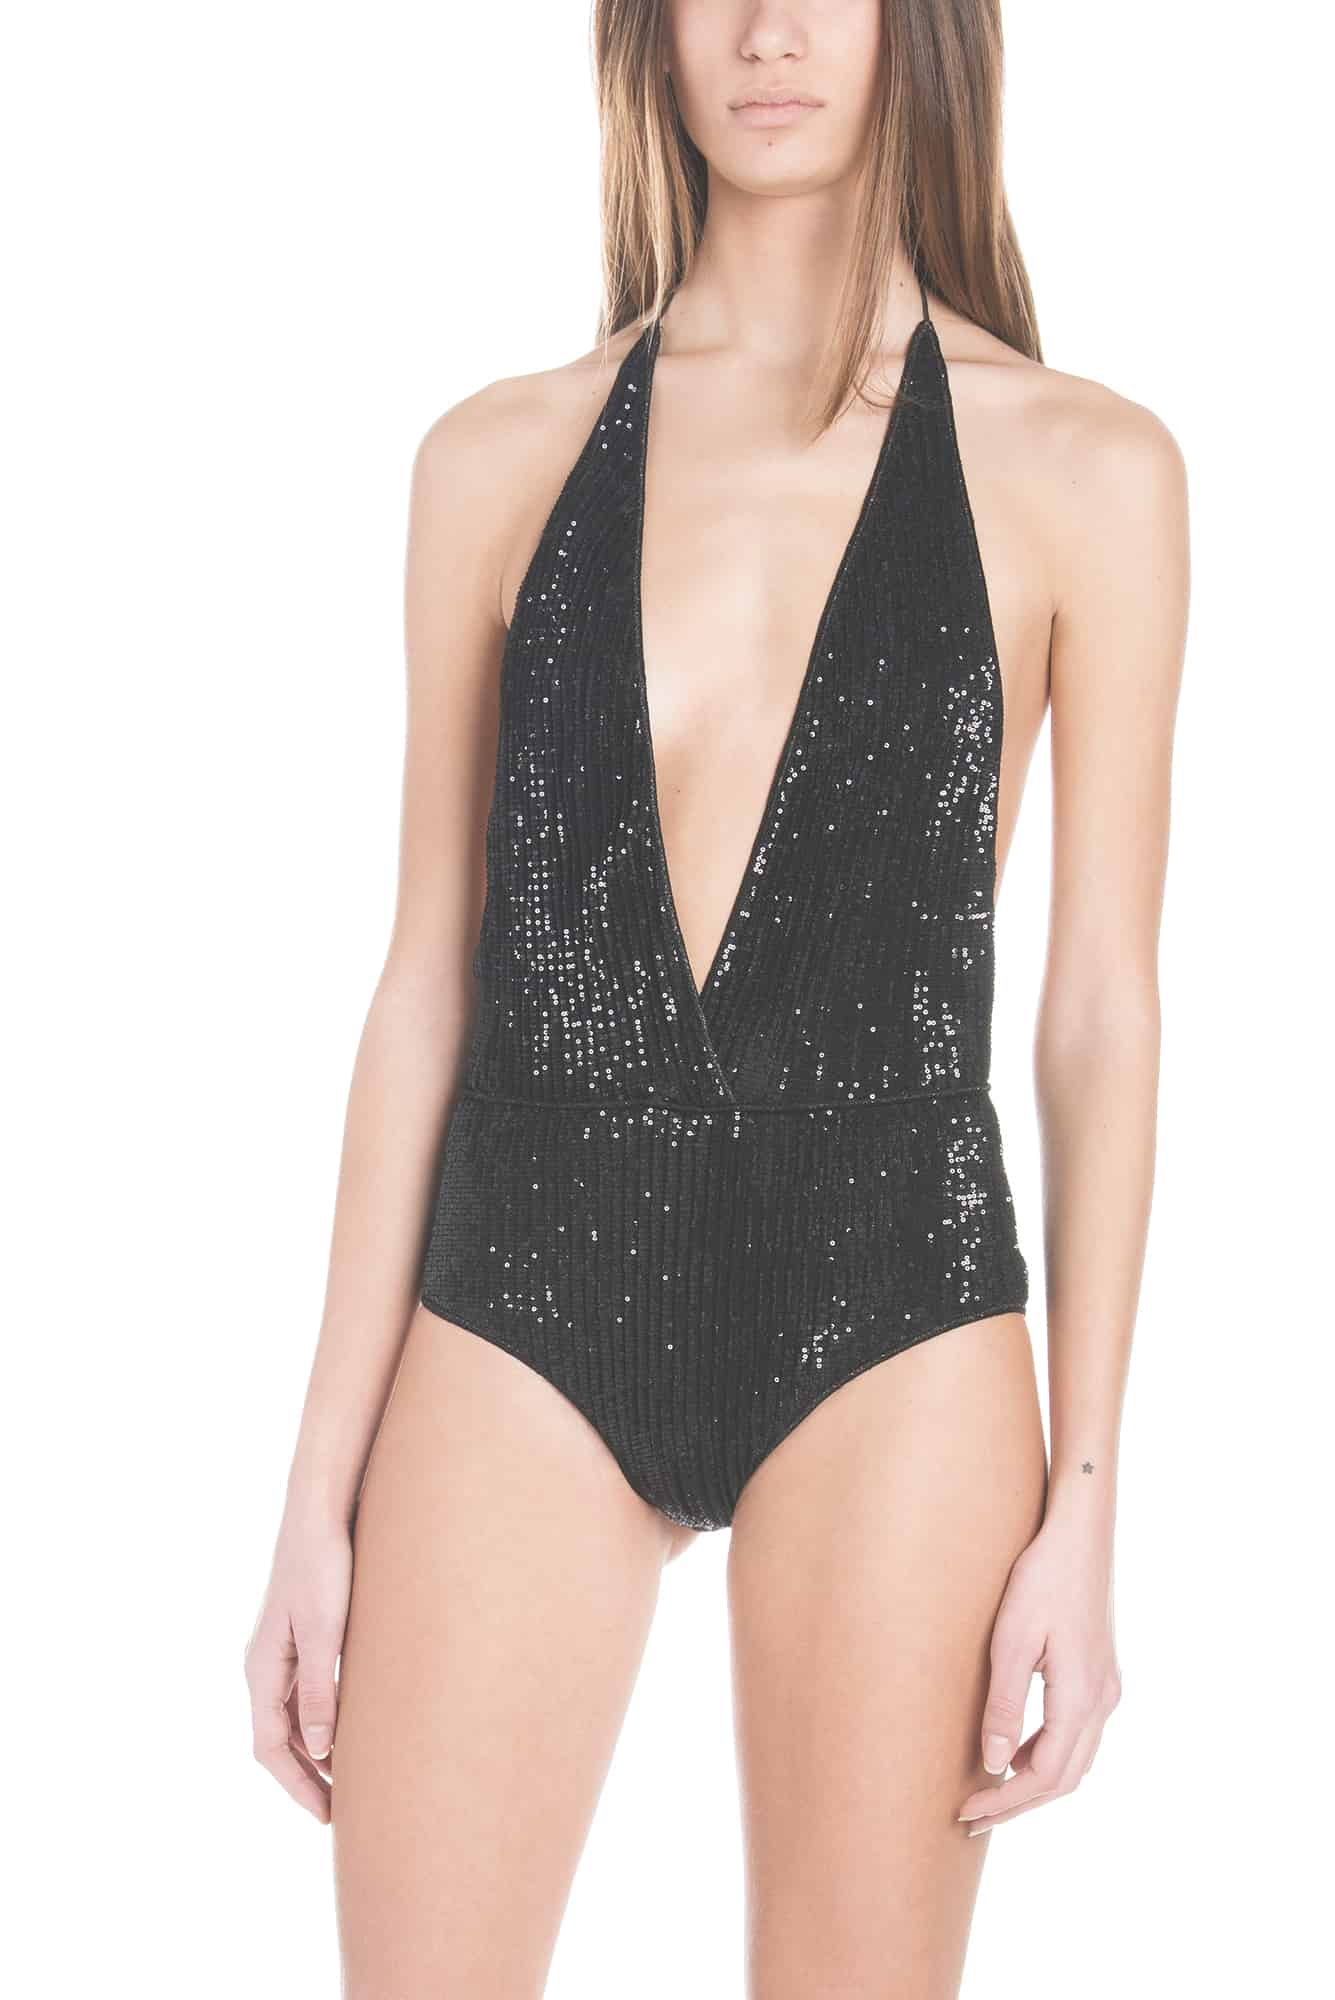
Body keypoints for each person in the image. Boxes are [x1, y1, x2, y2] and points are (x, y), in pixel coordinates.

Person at [244, 2, 1189, 1992]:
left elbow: (1099, 1011)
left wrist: (1088, 1509)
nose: (768, 32)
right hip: (528, 1280)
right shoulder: (493, 458)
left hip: (893, 1305)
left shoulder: (1083, 465)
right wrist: (314, 1493)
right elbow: (423, 979)